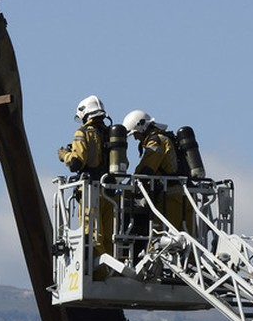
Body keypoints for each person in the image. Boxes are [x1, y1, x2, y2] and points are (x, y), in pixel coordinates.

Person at [57, 95, 115, 256]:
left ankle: (100, 274)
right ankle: (112, 272)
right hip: (111, 192)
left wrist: (64, 155)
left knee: (94, 237)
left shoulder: (82, 132)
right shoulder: (111, 133)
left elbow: (77, 162)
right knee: (110, 238)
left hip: (91, 192)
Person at [120, 109, 184, 244]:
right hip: (183, 197)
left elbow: (146, 170)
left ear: (142, 127)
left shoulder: (155, 142)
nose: (136, 138)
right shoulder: (164, 139)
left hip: (170, 199)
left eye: (136, 134)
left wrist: (125, 191)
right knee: (187, 242)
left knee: (158, 241)